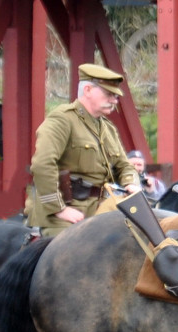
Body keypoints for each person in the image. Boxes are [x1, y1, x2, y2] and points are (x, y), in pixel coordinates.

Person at [25, 63, 140, 235]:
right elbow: (42, 164)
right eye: (108, 94)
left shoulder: (108, 129)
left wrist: (131, 182)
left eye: (115, 96)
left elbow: (124, 165)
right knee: (70, 256)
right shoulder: (63, 119)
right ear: (87, 90)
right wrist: (59, 209)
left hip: (101, 208)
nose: (114, 101)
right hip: (64, 212)